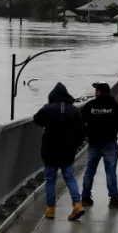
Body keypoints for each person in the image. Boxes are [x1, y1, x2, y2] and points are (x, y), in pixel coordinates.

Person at [33, 82, 85, 221]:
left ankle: (50, 210)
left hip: (50, 150)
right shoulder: (73, 110)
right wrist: (74, 145)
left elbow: (36, 119)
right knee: (69, 177)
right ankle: (77, 204)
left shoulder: (48, 109)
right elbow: (81, 133)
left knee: (50, 180)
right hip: (67, 151)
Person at [80, 82, 118, 208]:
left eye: (96, 91)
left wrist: (87, 133)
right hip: (110, 143)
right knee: (110, 172)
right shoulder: (115, 106)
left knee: (90, 171)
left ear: (99, 92)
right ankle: (114, 199)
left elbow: (79, 122)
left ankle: (85, 198)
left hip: (93, 143)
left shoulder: (90, 105)